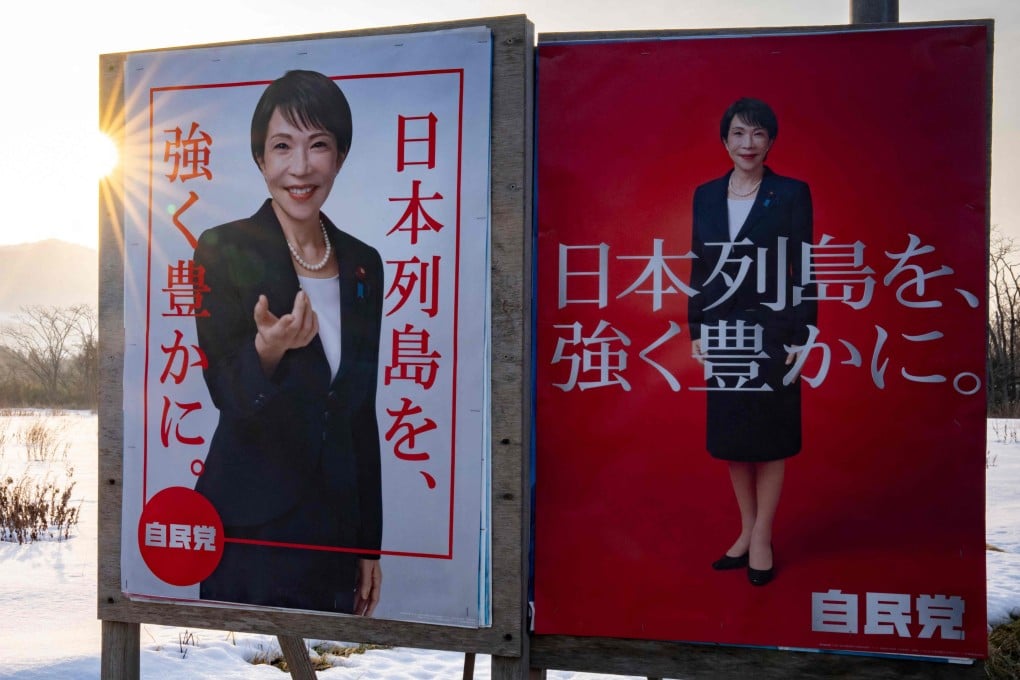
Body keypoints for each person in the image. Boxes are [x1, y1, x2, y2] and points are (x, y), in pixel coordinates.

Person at [193, 70, 383, 614]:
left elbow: (359, 409)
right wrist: (268, 349)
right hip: (248, 525)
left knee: (327, 655)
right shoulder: (222, 248)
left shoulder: (363, 262)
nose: (300, 167)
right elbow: (225, 390)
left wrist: (368, 543)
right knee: (244, 658)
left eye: (318, 145)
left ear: (340, 157)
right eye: (282, 146)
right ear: (260, 159)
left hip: (334, 531)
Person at [687, 97, 815, 586]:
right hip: (723, 330)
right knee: (734, 438)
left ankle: (762, 536)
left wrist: (804, 332)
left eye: (758, 134)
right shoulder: (705, 196)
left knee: (772, 436)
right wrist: (697, 327)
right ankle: (745, 530)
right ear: (725, 140)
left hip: (776, 329)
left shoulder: (791, 193)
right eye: (739, 133)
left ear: (771, 141)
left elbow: (804, 265)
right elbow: (699, 266)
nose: (748, 143)